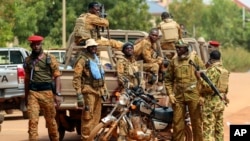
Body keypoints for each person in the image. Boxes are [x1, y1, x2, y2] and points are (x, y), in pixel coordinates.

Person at [164, 40, 204, 141]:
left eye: (179, 48)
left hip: (193, 94)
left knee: (197, 122)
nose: (177, 49)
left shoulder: (195, 59)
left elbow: (204, 78)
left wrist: (202, 95)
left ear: (186, 48)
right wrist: (170, 94)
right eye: (176, 47)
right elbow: (168, 79)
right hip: (178, 96)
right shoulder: (174, 61)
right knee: (177, 124)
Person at [23, 35, 62, 141]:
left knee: (51, 122)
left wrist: (58, 94)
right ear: (31, 46)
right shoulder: (28, 61)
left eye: (38, 44)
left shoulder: (49, 58)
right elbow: (26, 80)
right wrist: (26, 97)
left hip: (47, 93)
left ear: (41, 45)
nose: (36, 47)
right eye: (34, 45)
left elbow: (57, 76)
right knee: (33, 122)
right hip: (33, 93)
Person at [72, 39, 105, 141]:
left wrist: (104, 90)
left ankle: (92, 136)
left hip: (98, 91)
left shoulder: (96, 59)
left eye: (95, 46)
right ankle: (86, 138)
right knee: (88, 117)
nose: (94, 48)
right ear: (87, 48)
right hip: (88, 91)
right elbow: (76, 78)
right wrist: (79, 95)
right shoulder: (83, 60)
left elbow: (101, 76)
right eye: (91, 47)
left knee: (96, 117)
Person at [195, 49, 230, 141]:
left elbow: (209, 87)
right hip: (220, 102)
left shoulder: (213, 70)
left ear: (211, 59)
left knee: (208, 128)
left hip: (211, 103)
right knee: (219, 128)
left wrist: (199, 78)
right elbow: (226, 88)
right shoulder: (224, 70)